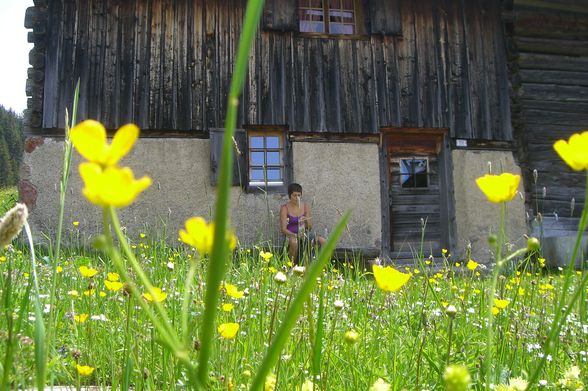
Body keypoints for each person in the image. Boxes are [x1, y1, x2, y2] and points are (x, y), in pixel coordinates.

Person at [280, 183, 326, 264]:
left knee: (323, 241)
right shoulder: (285, 208)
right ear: (290, 195)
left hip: (304, 235)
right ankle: (292, 266)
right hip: (291, 236)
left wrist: (306, 221)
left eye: (299, 195)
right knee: (294, 242)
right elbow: (283, 229)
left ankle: (322, 266)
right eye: (294, 195)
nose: (297, 198)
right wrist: (294, 235)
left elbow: (310, 228)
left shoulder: (305, 206)